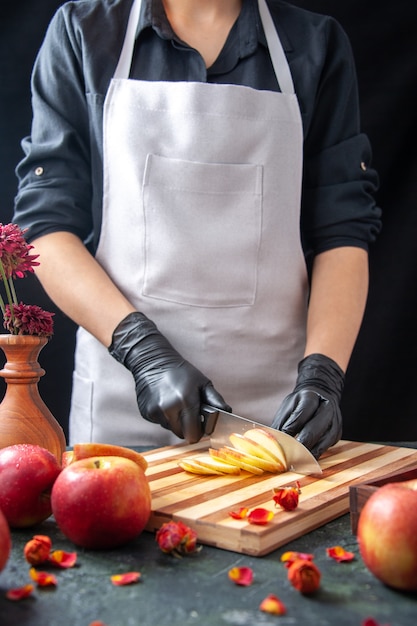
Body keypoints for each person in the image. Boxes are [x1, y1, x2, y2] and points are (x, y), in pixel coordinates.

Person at [13, 0, 381, 458]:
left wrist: (324, 376)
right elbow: (47, 228)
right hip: (122, 408)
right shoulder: (84, 33)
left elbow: (343, 233)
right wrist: (143, 353)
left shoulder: (315, 44)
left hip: (277, 417)